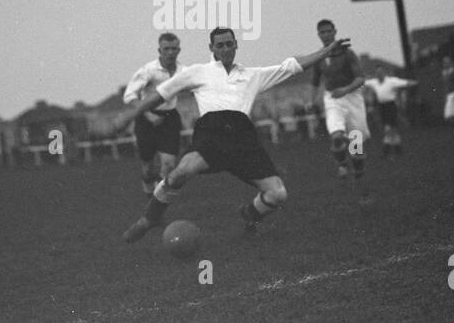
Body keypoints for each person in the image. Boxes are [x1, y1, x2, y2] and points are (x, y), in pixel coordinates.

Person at [115, 26, 351, 241]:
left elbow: (292, 66)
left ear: (236, 45)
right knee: (179, 173)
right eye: (220, 45)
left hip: (243, 140)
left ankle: (250, 213)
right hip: (211, 135)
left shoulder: (252, 75)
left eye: (230, 44)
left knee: (278, 194)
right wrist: (130, 114)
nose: (226, 49)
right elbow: (160, 94)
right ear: (212, 48)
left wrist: (326, 51)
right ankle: (151, 217)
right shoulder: (198, 72)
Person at [122, 33, 187, 198]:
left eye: (174, 49)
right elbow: (129, 96)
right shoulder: (148, 70)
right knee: (147, 166)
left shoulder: (184, 71)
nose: (171, 52)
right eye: (167, 49)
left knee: (169, 163)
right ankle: (147, 186)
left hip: (170, 117)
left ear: (179, 50)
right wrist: (148, 114)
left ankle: (158, 200)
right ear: (160, 50)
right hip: (146, 118)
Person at [310, 20, 369, 179]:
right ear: (318, 35)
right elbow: (315, 82)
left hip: (352, 97)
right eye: (323, 32)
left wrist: (345, 90)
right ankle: (342, 165)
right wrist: (312, 101)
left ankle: (359, 173)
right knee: (336, 136)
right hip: (332, 98)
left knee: (356, 144)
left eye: (329, 31)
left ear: (335, 32)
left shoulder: (347, 53)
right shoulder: (319, 56)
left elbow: (361, 79)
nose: (326, 35)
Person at [364, 64, 417, 158]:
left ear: (384, 73)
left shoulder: (391, 81)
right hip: (382, 107)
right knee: (392, 129)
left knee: (389, 128)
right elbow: (363, 83)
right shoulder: (374, 82)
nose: (379, 74)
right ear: (376, 74)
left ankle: (386, 151)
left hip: (390, 106)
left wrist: (415, 82)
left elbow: (405, 82)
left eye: (381, 72)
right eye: (377, 73)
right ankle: (398, 150)